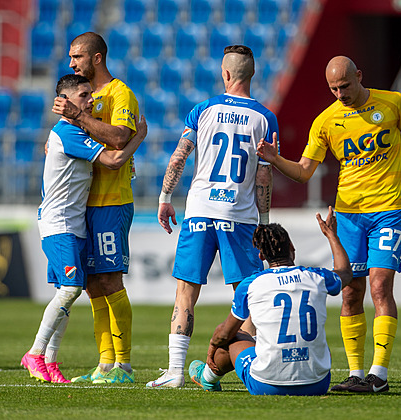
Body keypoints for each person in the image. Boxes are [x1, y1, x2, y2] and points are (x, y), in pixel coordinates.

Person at [256, 56, 401, 393]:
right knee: (351, 294)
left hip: (388, 210)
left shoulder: (393, 103)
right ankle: (356, 374)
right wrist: (276, 158)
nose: (340, 93)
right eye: (333, 89)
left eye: (345, 86)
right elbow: (305, 171)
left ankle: (379, 374)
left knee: (381, 285)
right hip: (348, 216)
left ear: (359, 76)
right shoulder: (325, 121)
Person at [147, 45, 278, 388]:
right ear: (251, 75)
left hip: (200, 212)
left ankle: (175, 372)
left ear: (226, 74)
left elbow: (178, 158)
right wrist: (264, 222)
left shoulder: (203, 110)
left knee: (185, 292)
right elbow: (264, 176)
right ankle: (252, 364)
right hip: (241, 216)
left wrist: (164, 198)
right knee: (249, 294)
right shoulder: (265, 117)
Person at [21, 74, 146, 383]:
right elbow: (115, 159)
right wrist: (139, 136)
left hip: (74, 224)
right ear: (66, 103)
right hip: (59, 223)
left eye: (91, 94)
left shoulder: (69, 133)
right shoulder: (68, 133)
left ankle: (50, 363)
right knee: (71, 288)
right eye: (83, 95)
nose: (90, 100)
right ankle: (35, 353)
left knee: (68, 291)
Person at [52, 32, 140, 384]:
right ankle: (105, 364)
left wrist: (78, 115)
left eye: (77, 57)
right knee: (91, 284)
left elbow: (119, 137)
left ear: (96, 58)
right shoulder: (83, 96)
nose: (72, 64)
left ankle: (125, 365)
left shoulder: (121, 93)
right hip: (82, 204)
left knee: (110, 280)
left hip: (111, 201)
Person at [189, 208, 353, 395]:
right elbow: (346, 273)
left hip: (267, 385)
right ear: (292, 247)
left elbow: (225, 334)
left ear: (261, 256)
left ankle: (208, 378)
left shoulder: (251, 284)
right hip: (317, 384)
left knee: (234, 334)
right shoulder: (316, 276)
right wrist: (332, 235)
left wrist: (212, 345)